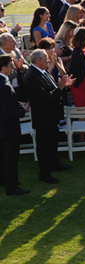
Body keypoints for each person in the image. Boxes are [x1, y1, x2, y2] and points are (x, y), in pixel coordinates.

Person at [25, 49, 74, 185]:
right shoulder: (32, 76)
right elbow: (44, 98)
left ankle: (54, 164)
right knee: (44, 146)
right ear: (38, 61)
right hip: (43, 118)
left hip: (51, 116)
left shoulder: (43, 72)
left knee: (52, 142)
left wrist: (62, 86)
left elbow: (52, 88)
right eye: (46, 59)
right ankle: (45, 173)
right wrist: (61, 87)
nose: (49, 61)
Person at [1, 54, 31, 195]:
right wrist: (23, 110)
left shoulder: (3, 82)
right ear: (4, 68)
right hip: (9, 127)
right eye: (11, 65)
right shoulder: (5, 86)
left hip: (4, 127)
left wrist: (18, 104)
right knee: (11, 157)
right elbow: (8, 111)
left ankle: (5, 180)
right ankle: (12, 186)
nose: (13, 67)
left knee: (5, 156)